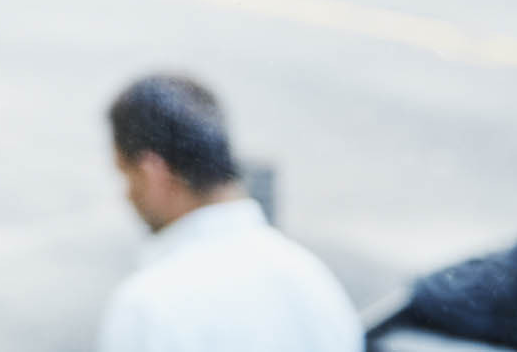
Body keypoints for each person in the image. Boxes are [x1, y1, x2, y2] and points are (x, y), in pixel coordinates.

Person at [99, 73, 361, 352]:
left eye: (126, 176)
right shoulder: (314, 281)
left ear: (153, 172)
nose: (126, 196)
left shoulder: (148, 308)